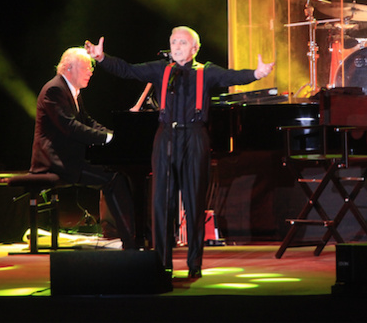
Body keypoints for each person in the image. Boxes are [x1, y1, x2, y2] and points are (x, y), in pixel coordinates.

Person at [86, 26, 274, 278]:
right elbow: (128, 70)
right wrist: (102, 59)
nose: (176, 46)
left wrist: (256, 73)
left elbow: (231, 77)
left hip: (194, 135)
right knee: (162, 202)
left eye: (182, 43)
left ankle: (194, 263)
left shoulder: (206, 72)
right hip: (166, 137)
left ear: (195, 48)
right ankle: (162, 262)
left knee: (194, 201)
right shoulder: (161, 70)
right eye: (173, 42)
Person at [30, 47, 137, 250]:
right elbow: (70, 127)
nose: (91, 71)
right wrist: (106, 139)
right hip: (55, 162)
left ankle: (131, 235)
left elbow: (87, 121)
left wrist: (114, 136)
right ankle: (130, 239)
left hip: (70, 159)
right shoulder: (54, 90)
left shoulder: (72, 91)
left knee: (116, 175)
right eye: (87, 67)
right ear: (69, 67)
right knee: (113, 178)